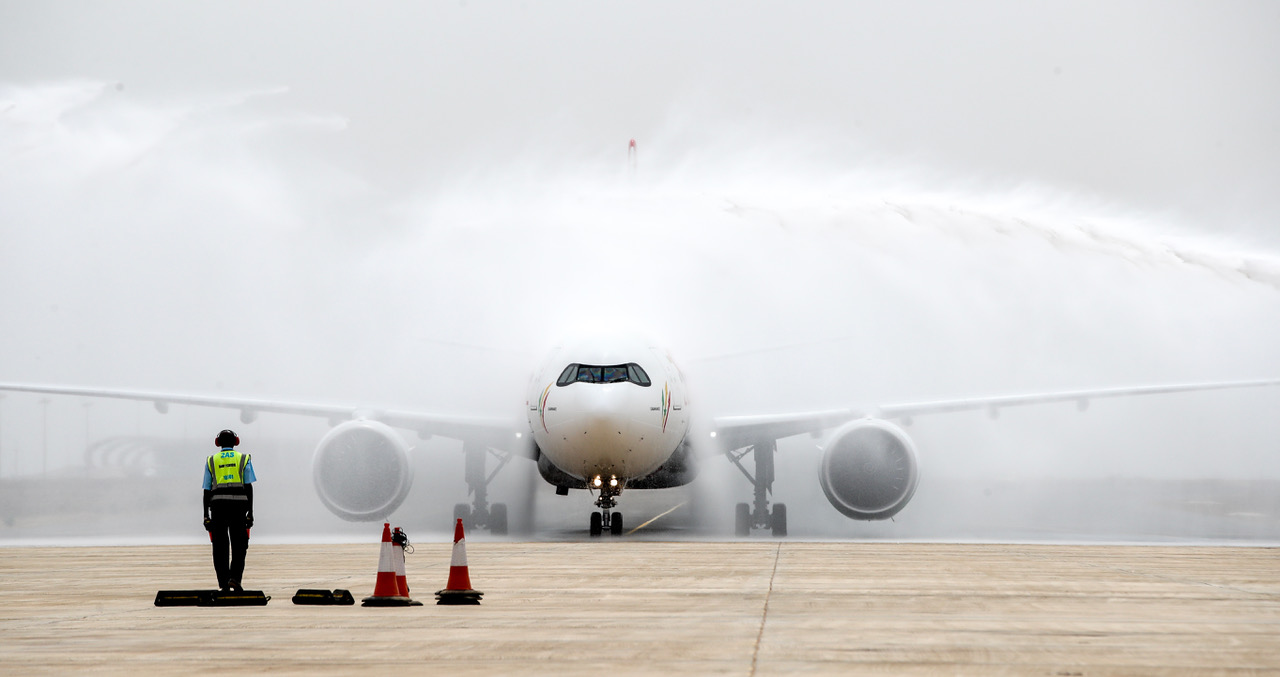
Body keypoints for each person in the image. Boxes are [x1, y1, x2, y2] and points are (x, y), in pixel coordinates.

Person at [202, 429, 257, 592]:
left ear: (218, 443)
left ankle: (223, 582)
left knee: (219, 546)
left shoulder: (211, 460)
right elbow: (248, 486)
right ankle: (235, 578)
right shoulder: (243, 459)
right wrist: (250, 512)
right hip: (239, 507)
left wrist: (206, 515)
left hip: (218, 507)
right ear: (236, 442)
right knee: (240, 544)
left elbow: (206, 490)